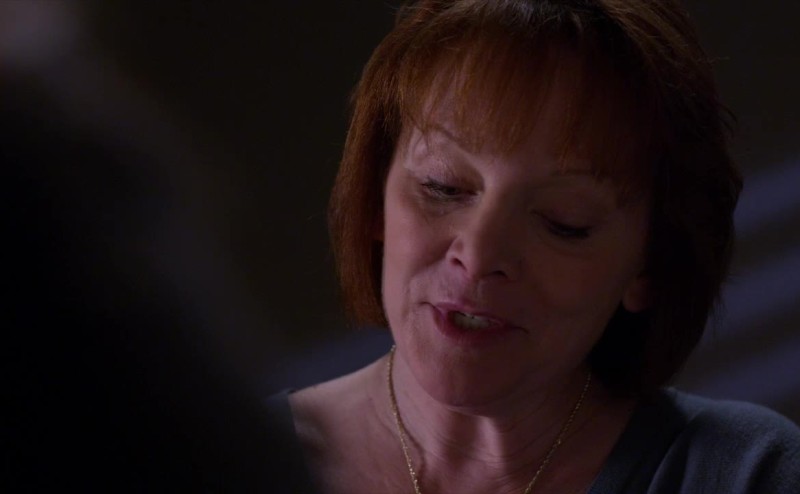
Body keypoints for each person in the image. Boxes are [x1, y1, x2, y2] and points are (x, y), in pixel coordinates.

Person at [277, 1, 800, 493]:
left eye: (562, 222)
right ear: (377, 199)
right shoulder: (241, 461)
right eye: (443, 186)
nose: (479, 256)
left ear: (649, 266)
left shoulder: (748, 474)